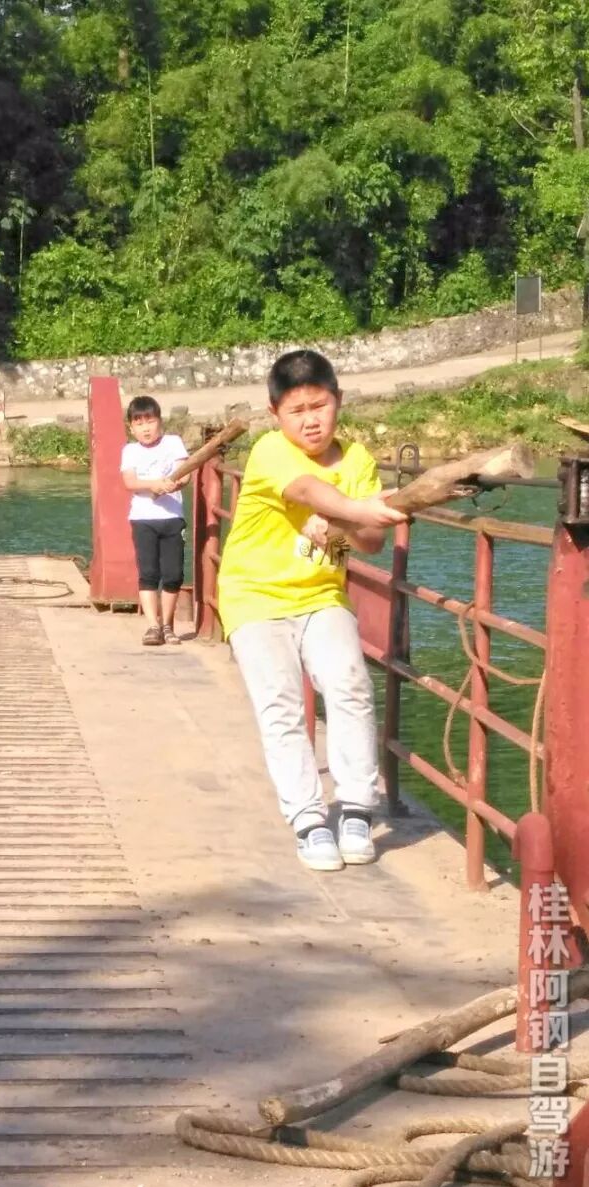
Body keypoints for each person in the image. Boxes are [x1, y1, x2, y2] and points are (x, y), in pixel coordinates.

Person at [216, 350, 407, 871]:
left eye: (320, 406)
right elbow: (307, 489)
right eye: (297, 410)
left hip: (322, 592)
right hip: (254, 595)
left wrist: (340, 526)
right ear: (275, 413)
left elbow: (369, 542)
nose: (311, 421)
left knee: (349, 685)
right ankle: (307, 819)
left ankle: (356, 809)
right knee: (280, 705)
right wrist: (355, 510)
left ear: (337, 401)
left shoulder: (357, 460)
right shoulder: (269, 451)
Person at [120, 396, 189, 646]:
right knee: (148, 573)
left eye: (150, 421)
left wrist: (175, 484)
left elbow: (185, 474)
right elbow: (130, 482)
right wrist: (154, 485)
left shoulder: (173, 443)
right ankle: (152, 626)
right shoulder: (130, 450)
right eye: (139, 423)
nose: (146, 428)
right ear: (131, 427)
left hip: (172, 517)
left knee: (173, 574)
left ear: (160, 421)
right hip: (143, 518)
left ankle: (167, 625)